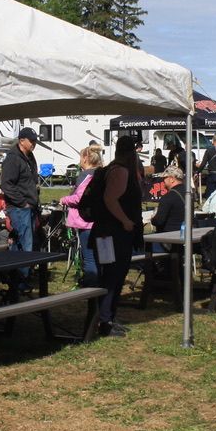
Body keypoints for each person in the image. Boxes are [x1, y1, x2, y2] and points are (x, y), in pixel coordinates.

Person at [93, 135, 143, 338]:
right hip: (112, 233)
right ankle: (104, 321)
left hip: (113, 233)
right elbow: (110, 199)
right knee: (112, 277)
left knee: (116, 276)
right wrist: (125, 221)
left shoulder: (121, 170)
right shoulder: (120, 171)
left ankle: (109, 318)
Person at [1, 128, 41, 286]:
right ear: (21, 140)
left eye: (35, 141)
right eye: (31, 141)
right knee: (26, 244)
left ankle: (14, 277)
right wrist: (22, 202)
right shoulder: (13, 159)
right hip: (19, 208)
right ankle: (22, 280)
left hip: (29, 207)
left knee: (19, 244)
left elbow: (31, 179)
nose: (34, 144)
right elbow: (6, 184)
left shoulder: (29, 157)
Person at [59, 145, 103, 287]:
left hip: (87, 222)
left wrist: (65, 199)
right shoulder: (104, 174)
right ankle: (105, 285)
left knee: (90, 258)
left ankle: (92, 288)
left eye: (80, 157)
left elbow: (79, 198)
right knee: (104, 256)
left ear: (86, 158)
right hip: (103, 222)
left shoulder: (86, 176)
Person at [151, 166, 187, 233]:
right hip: (185, 234)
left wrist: (153, 218)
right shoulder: (189, 194)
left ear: (171, 179)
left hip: (169, 236)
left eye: (165, 178)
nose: (163, 181)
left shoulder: (168, 197)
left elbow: (159, 221)